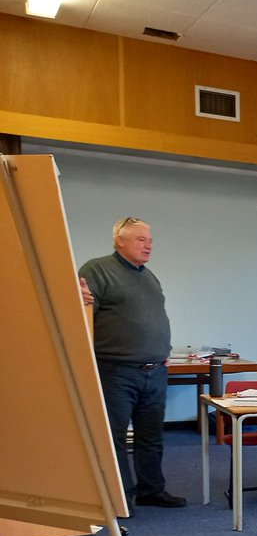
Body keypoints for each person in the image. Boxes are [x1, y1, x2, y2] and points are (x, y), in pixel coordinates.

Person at [78, 217, 186, 510]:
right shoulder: (97, 270)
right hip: (116, 371)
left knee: (151, 436)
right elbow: (81, 314)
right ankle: (119, 498)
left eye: (150, 239)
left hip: (154, 371)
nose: (148, 244)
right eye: (140, 239)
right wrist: (76, 297)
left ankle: (151, 490)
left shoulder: (148, 276)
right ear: (119, 241)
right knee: (114, 438)